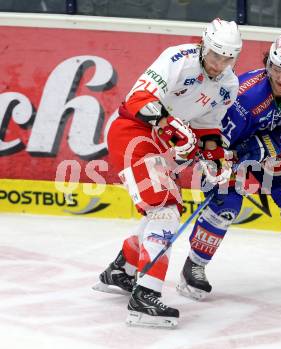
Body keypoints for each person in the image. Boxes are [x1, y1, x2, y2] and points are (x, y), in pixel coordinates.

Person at [93, 18, 242, 328]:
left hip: (163, 145)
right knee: (165, 210)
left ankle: (121, 271)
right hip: (132, 132)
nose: (220, 64)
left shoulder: (228, 85)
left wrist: (216, 160)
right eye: (215, 55)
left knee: (159, 209)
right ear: (204, 45)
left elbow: (207, 127)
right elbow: (137, 100)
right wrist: (171, 124)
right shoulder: (179, 59)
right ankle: (145, 295)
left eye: (228, 58)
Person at [177, 33, 281, 301]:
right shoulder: (246, 95)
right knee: (225, 209)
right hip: (226, 149)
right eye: (276, 69)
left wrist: (261, 147)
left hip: (267, 151)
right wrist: (218, 166)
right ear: (267, 65)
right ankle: (194, 267)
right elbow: (216, 137)